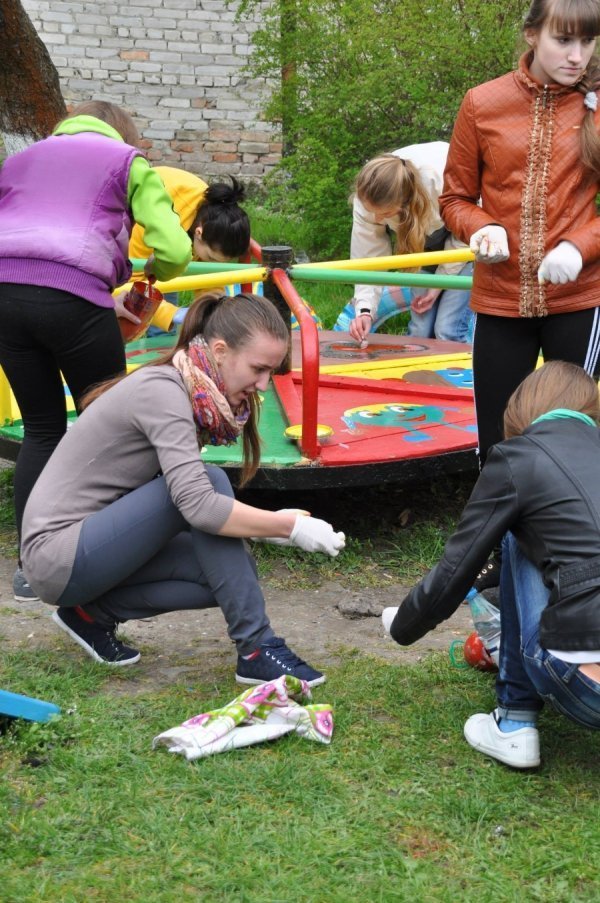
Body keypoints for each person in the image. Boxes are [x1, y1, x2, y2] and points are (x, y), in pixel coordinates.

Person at [19, 292, 346, 687]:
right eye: (258, 369)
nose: (262, 385)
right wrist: (286, 528)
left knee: (226, 576)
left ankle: (91, 615)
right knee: (208, 483)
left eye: (270, 372)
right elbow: (197, 504)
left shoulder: (190, 390)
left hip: (90, 547)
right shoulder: (165, 392)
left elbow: (185, 505)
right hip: (58, 554)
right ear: (221, 351)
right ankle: (257, 648)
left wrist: (268, 525)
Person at [0, 101, 192, 603]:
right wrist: (149, 276)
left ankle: (30, 566)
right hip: (72, 300)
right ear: (123, 134)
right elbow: (174, 250)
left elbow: (32, 246)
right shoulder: (127, 162)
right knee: (116, 425)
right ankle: (121, 552)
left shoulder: (21, 159)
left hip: (3, 297)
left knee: (43, 427)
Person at [439, 0, 600, 587]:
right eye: (564, 40)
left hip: (578, 298)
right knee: (495, 434)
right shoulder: (482, 102)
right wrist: (479, 227)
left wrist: (580, 246)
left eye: (588, 42)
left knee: (571, 428)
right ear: (533, 35)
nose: (578, 56)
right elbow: (454, 196)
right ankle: (493, 559)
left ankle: (573, 560)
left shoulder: (599, 104)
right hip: (500, 300)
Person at [383, 361, 600, 769]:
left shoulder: (519, 457)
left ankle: (514, 723)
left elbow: (458, 565)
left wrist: (404, 626)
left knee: (515, 531)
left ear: (520, 415)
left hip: (585, 684)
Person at [333, 144, 473, 345]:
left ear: (406, 203)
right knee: (420, 330)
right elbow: (367, 260)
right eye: (373, 212)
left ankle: (456, 375)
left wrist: (438, 285)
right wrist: (364, 311)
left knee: (446, 329)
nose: (378, 218)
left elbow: (466, 235)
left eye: (386, 214)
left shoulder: (442, 179)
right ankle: (417, 376)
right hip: (421, 244)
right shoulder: (367, 198)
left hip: (464, 241)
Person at [127, 168, 251, 333]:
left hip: (171, 241)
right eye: (211, 259)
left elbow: (210, 278)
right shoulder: (154, 220)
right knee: (131, 315)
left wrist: (212, 308)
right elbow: (130, 281)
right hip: (122, 223)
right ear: (199, 233)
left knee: (170, 279)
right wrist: (174, 314)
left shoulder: (214, 217)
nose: (211, 264)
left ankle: (162, 335)